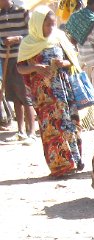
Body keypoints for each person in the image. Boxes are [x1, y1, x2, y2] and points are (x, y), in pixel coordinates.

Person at [16, 6, 84, 178]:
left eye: (53, 25)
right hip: (44, 96)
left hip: (63, 91)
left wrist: (63, 64)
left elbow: (74, 61)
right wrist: (35, 68)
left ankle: (76, 161)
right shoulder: (28, 43)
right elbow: (20, 68)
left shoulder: (59, 38)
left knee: (69, 125)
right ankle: (59, 167)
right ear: (38, 24)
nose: (51, 29)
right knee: (52, 130)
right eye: (47, 25)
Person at [64, 0, 94, 129]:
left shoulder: (76, 17)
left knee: (85, 92)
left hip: (82, 60)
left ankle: (85, 120)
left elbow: (71, 39)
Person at [0, 0, 37, 143]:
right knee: (15, 96)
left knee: (25, 95)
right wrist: (4, 42)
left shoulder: (23, 12)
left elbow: (33, 32)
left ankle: (31, 132)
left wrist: (18, 38)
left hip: (22, 58)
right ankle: (20, 131)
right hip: (6, 59)